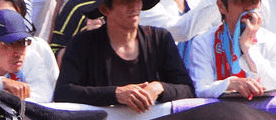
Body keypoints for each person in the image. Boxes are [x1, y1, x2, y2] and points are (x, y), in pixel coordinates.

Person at [53, 0, 196, 112]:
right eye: (124, 1)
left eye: (137, 0)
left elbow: (187, 90)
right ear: (105, 9)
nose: (134, 7)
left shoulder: (160, 39)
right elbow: (63, 92)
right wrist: (116, 94)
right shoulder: (82, 43)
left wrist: (159, 88)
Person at [187, 0, 276, 98]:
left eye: (254, 2)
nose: (248, 8)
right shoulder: (202, 42)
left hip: (263, 115)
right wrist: (229, 84)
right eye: (239, 2)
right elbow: (200, 90)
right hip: (220, 114)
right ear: (221, 6)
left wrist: (248, 48)